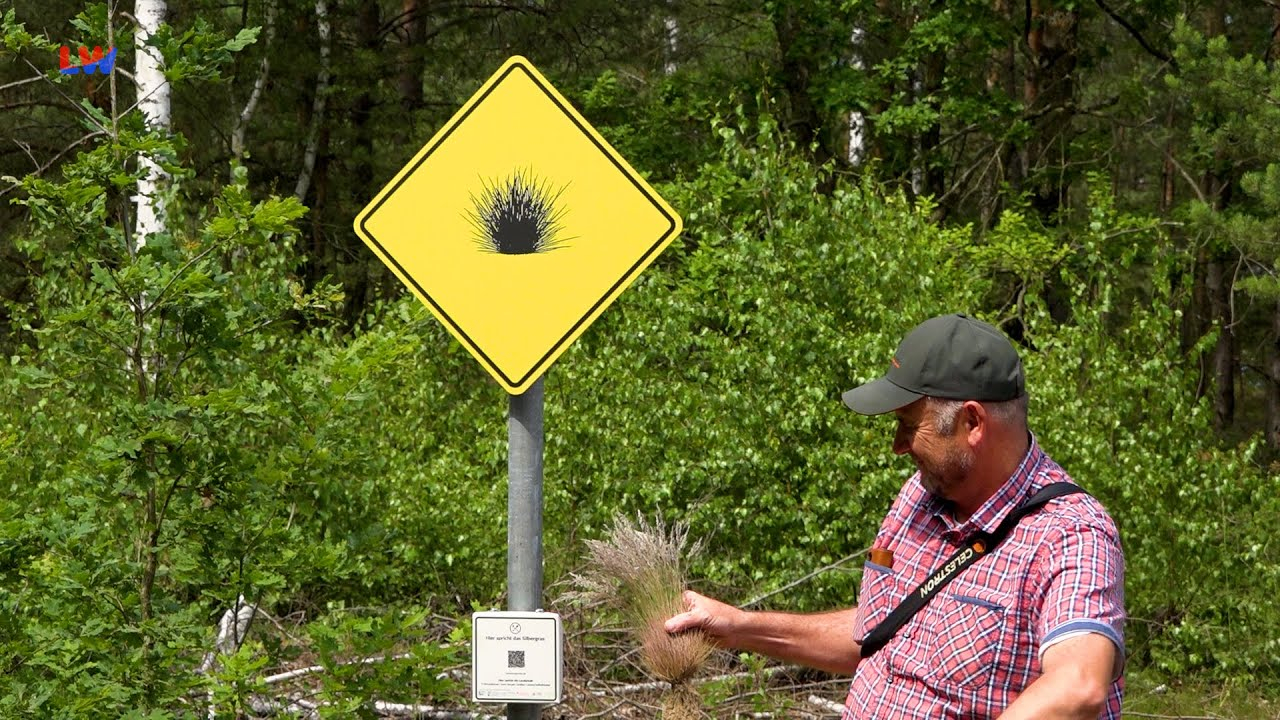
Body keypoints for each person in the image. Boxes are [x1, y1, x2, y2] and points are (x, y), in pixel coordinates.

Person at [665, 313, 1125, 719]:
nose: (897, 446)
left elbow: (1078, 686)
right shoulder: (917, 499)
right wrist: (739, 627)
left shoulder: (1071, 533)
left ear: (973, 423)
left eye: (909, 426)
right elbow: (877, 633)